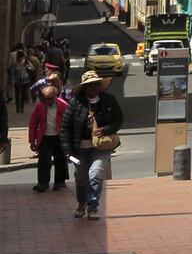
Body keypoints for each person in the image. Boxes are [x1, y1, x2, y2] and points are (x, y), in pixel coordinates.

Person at [62, 69, 122, 220]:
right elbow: (65, 127)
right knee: (81, 177)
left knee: (95, 174)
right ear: (84, 88)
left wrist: (105, 129)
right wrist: (67, 151)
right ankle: (81, 203)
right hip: (79, 149)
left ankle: (93, 207)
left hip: (101, 146)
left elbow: (118, 119)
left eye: (95, 85)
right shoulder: (75, 103)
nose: (92, 88)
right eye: (89, 86)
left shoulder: (109, 100)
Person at [28, 73, 68, 193]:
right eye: (46, 99)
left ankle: (59, 182)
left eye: (50, 99)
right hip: (44, 137)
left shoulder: (63, 105)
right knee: (44, 160)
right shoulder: (40, 106)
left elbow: (69, 123)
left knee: (60, 159)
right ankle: (43, 183)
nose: (48, 101)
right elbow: (33, 123)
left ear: (55, 96)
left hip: (59, 136)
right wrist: (32, 140)